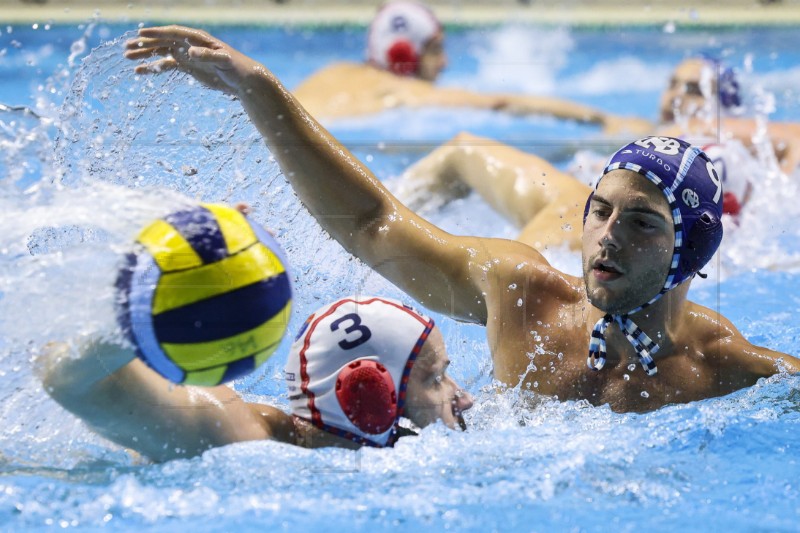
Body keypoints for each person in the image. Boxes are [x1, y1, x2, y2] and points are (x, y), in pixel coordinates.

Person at [123, 26, 800, 415]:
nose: (608, 235)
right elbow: (370, 221)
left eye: (644, 223)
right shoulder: (524, 295)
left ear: (692, 254)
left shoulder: (731, 370)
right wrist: (259, 90)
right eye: (600, 210)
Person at [37, 204, 473, 461]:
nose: (465, 396)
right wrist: (142, 318)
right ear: (366, 392)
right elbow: (62, 377)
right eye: (434, 378)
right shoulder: (228, 432)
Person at [290, 0, 646, 132]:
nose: (445, 62)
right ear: (403, 56)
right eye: (435, 50)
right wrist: (603, 120)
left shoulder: (328, 73)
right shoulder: (398, 88)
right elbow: (499, 103)